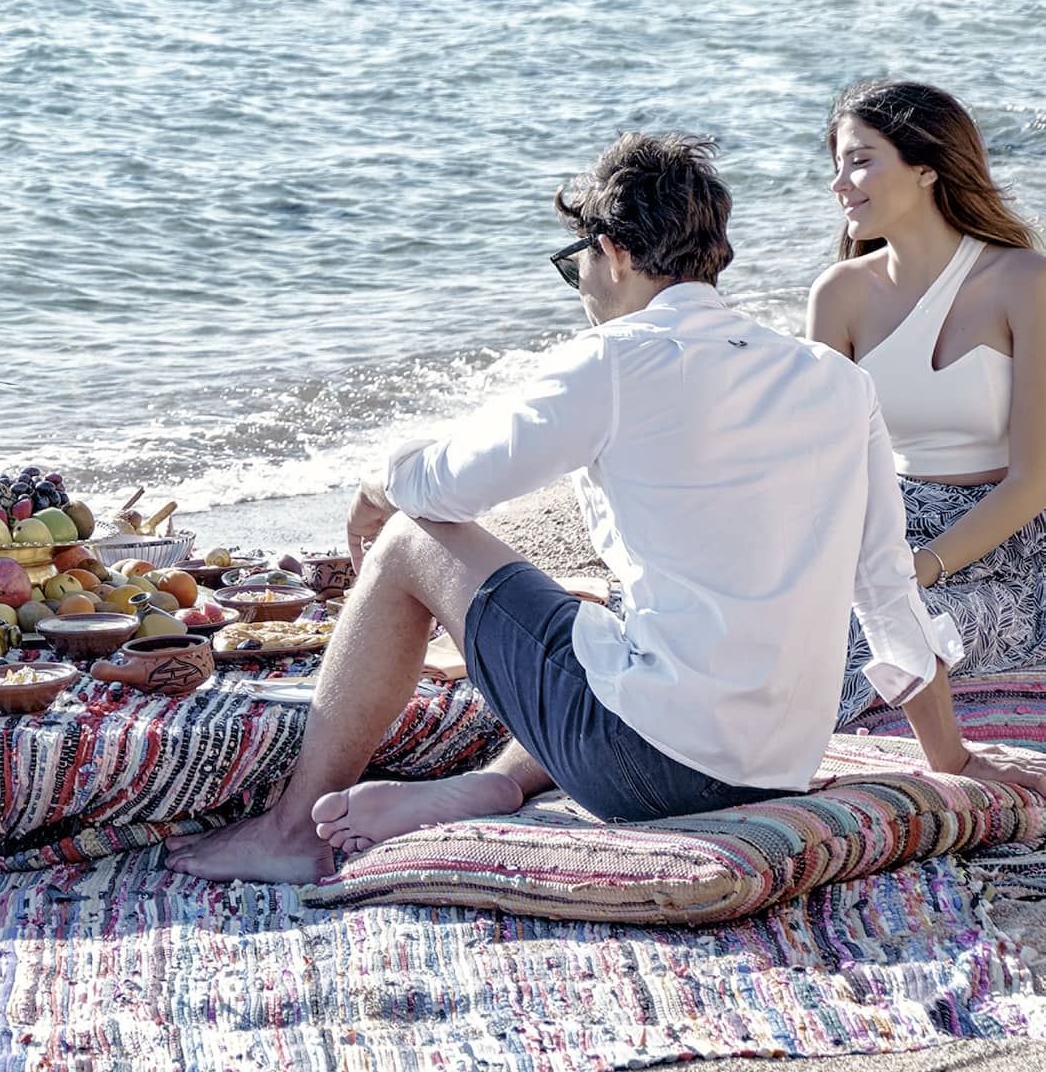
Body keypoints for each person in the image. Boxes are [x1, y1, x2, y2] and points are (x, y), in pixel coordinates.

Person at [168, 133, 1046, 885]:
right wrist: (953, 760)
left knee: (409, 539)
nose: (580, 285)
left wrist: (372, 486)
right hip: (777, 769)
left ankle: (287, 833)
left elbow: (446, 490)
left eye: (574, 263)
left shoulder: (618, 360)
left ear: (615, 253)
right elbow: (888, 591)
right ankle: (500, 784)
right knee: (589, 610)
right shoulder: (834, 380)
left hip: (645, 770)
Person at [808, 80, 1046, 723]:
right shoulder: (839, 294)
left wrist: (918, 570)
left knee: (880, 642)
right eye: (836, 164)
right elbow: (823, 466)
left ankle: (704, 761)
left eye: (859, 159)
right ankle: (552, 748)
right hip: (888, 521)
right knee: (750, 621)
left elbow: (1034, 481)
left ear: (927, 168)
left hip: (1008, 545)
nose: (839, 183)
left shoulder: (1024, 280)